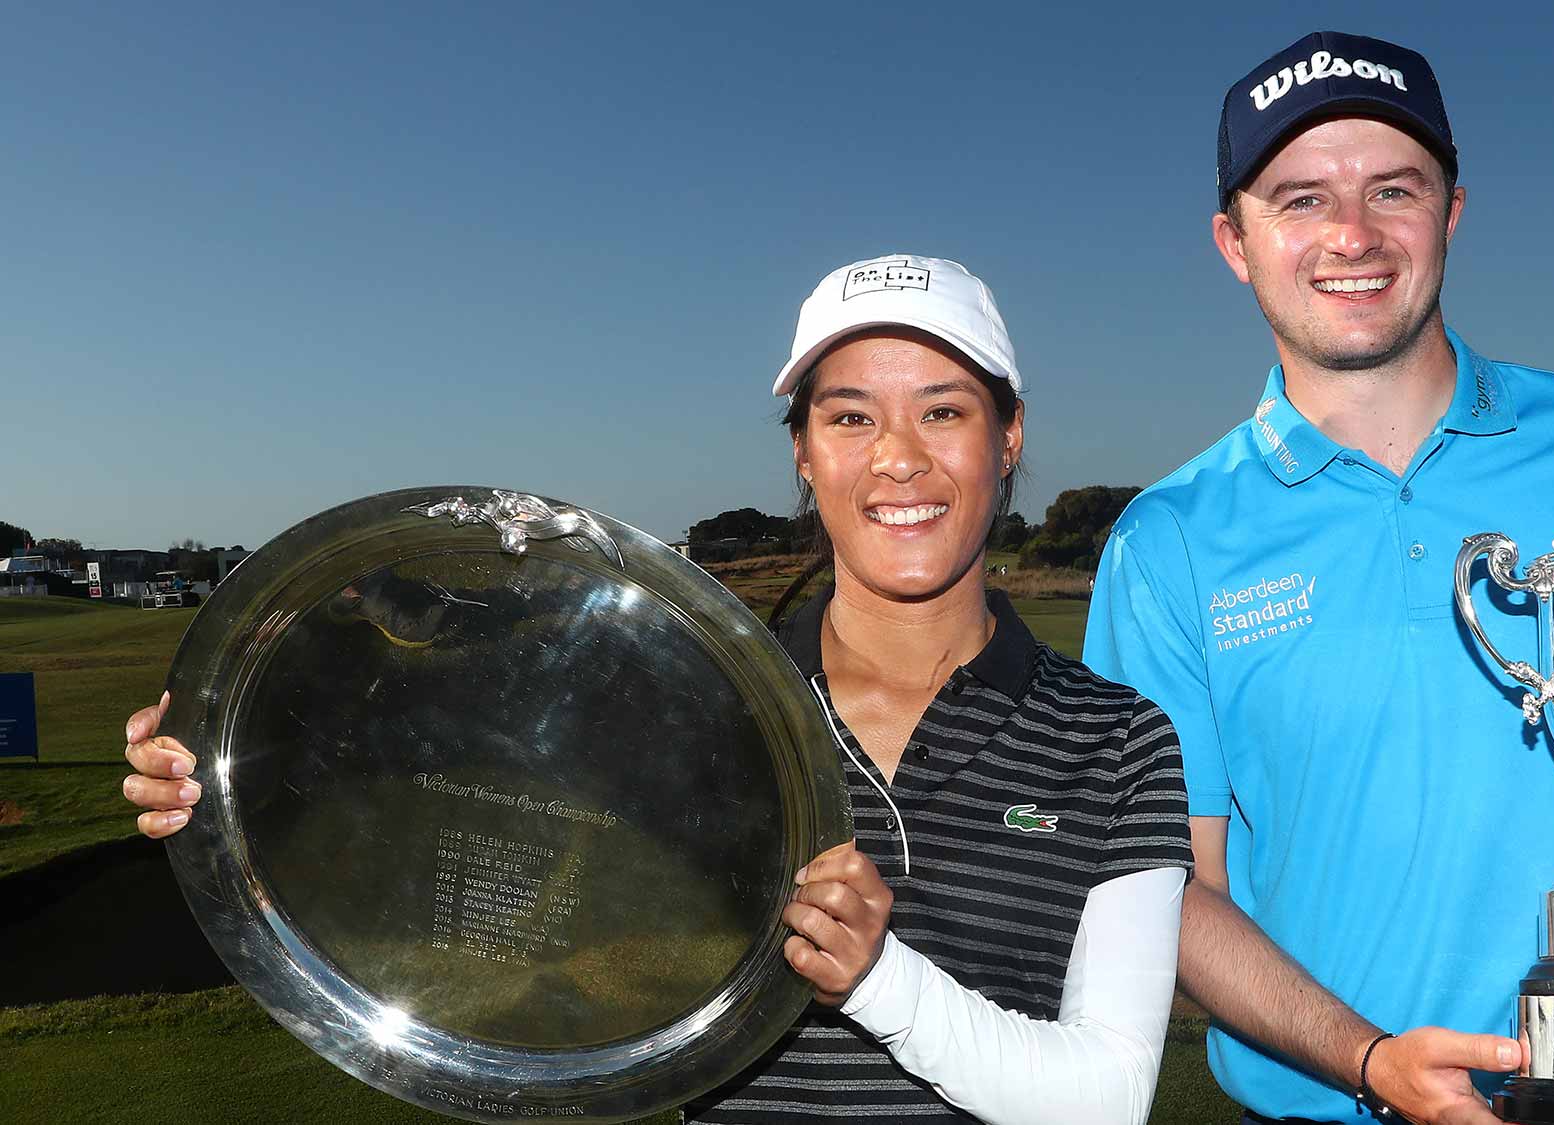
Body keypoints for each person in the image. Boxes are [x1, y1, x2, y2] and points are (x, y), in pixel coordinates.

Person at [121, 253, 1193, 1125]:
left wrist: (878, 980)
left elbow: (1099, 1100)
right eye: (851, 417)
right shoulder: (692, 703)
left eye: (944, 412)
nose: (897, 460)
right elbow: (436, 756)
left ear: (1008, 439)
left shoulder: (1118, 739)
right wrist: (222, 765)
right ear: (804, 457)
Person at [1082, 32, 1554, 1125]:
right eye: (1299, 199)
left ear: (1450, 211)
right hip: (1330, 1103)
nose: (1352, 236)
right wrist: (1368, 1060)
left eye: (1392, 189)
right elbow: (1172, 890)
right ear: (1233, 242)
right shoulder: (1167, 541)